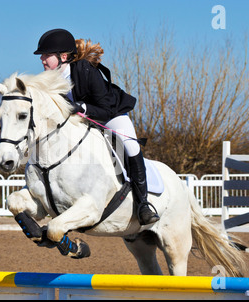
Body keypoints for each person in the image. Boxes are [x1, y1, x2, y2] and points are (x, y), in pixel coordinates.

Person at [34, 28, 159, 225]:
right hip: (82, 120)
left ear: (63, 56)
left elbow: (105, 109)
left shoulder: (85, 70)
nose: (42, 59)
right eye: (42, 55)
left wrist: (81, 107)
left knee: (130, 145)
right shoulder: (48, 80)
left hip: (110, 114)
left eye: (46, 55)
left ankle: (143, 204)